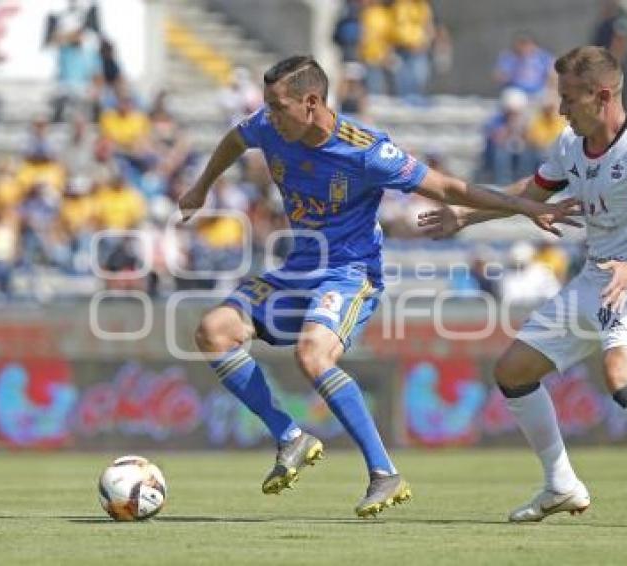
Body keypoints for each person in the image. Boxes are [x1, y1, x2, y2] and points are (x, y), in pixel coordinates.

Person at [178, 55, 578, 518]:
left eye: (278, 106)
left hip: (349, 272)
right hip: (299, 266)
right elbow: (234, 138)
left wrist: (525, 208)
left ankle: (384, 474)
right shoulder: (269, 126)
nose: (268, 116)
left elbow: (446, 186)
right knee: (213, 330)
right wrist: (203, 185)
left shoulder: (365, 150)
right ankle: (289, 435)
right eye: (267, 106)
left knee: (312, 354)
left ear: (311, 103)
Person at [418, 46, 627, 528]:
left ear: (601, 96)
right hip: (595, 277)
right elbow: (532, 194)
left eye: (569, 99)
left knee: (621, 373)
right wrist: (467, 215)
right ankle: (561, 485)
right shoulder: (570, 144)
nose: (560, 109)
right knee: (514, 371)